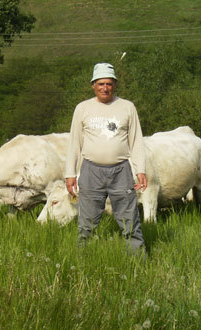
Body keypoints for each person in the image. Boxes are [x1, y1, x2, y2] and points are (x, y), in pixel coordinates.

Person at [64, 62, 147, 254]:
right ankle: (83, 258)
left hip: (121, 171)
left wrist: (140, 170)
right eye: (100, 83)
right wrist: (70, 174)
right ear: (93, 85)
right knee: (87, 221)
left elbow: (136, 141)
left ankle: (138, 260)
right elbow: (74, 143)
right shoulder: (83, 108)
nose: (105, 88)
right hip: (91, 171)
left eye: (109, 83)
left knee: (129, 219)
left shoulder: (127, 107)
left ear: (115, 85)